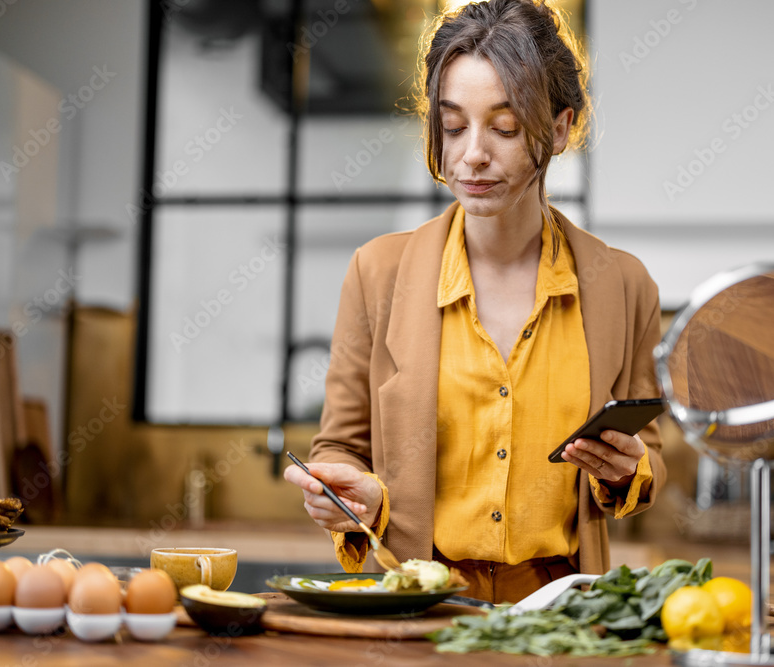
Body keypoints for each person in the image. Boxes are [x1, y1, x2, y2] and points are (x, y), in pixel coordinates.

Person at [284, 0, 666, 604]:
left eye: (505, 127)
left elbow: (654, 452)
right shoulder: (377, 273)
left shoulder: (624, 285)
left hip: (560, 613)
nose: (472, 155)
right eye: (454, 126)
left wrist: (631, 468)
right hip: (423, 606)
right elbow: (339, 446)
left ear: (561, 128)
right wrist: (357, 492)